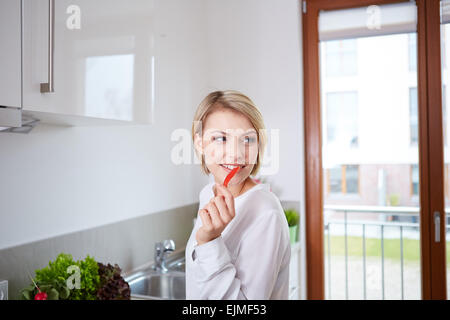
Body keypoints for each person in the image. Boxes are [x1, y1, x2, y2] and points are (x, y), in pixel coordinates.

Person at [186, 90, 291, 300]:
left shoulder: (265, 213)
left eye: (248, 140)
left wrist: (209, 241)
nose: (236, 153)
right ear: (200, 143)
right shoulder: (208, 193)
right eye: (221, 138)